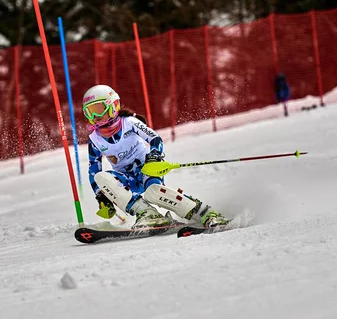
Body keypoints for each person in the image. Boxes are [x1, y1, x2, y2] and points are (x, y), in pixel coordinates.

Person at [83, 84, 229, 228]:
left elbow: (155, 139)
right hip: (125, 179)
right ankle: (147, 214)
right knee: (101, 177)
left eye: (98, 110)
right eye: (89, 112)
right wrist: (101, 195)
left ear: (113, 105)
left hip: (147, 169)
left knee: (154, 193)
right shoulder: (95, 139)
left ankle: (205, 213)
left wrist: (154, 155)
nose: (95, 116)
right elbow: (94, 170)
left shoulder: (129, 123)